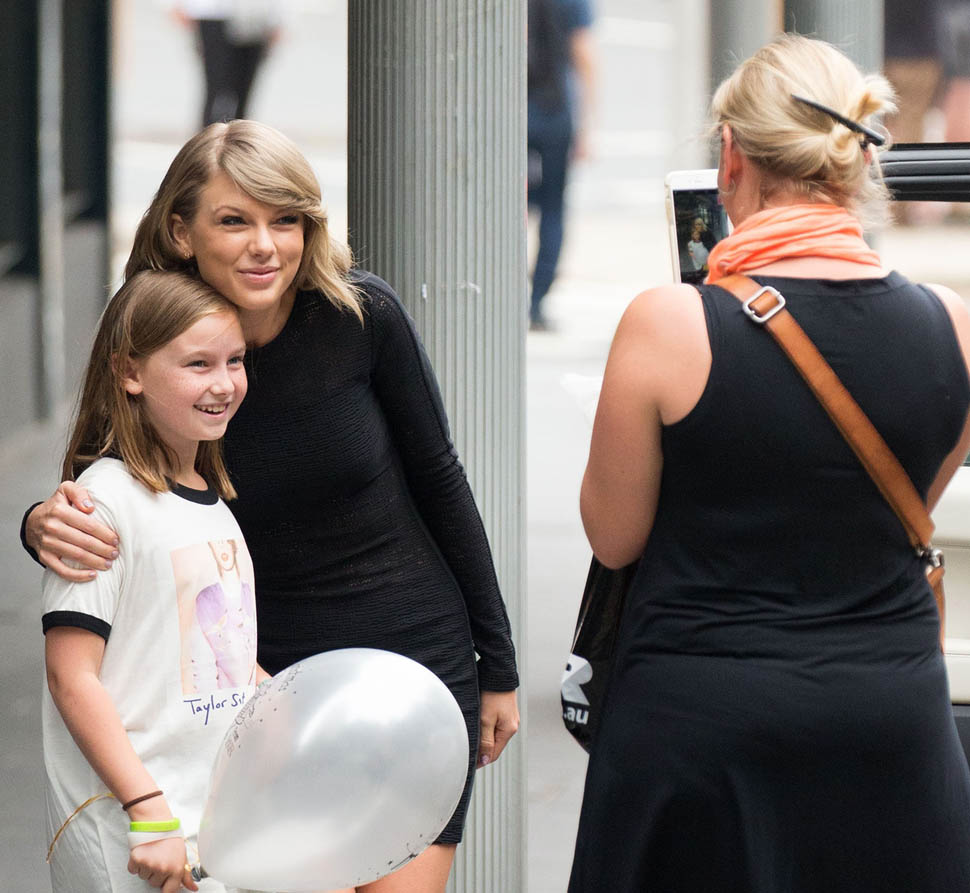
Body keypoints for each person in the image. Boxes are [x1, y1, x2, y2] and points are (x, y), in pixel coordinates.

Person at [23, 119, 520, 893]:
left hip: (409, 661)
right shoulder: (157, 332)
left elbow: (441, 479)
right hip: (262, 688)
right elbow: (111, 479)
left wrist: (499, 665)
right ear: (181, 231)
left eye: (286, 219)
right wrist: (40, 524)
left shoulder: (360, 314)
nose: (265, 245)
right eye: (235, 220)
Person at [568, 35, 970, 891]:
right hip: (888, 722)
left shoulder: (670, 324)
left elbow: (614, 536)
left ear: (731, 155)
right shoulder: (952, 324)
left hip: (701, 727)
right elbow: (909, 503)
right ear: (859, 160)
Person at [42, 270, 268, 892]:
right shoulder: (99, 505)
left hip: (205, 830)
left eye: (234, 360)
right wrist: (147, 810)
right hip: (134, 832)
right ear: (129, 372)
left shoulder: (215, 506)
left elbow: (225, 663)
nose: (223, 383)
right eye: (198, 364)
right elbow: (71, 676)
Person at [526, 0, 596, 331]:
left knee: (507, 207)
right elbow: (584, 54)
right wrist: (587, 127)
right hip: (555, 112)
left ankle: (503, 292)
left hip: (515, 110)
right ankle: (536, 303)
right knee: (553, 210)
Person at [169, 1, 282, 126]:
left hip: (257, 16)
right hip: (214, 14)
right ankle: (210, 134)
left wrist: (278, 18)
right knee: (216, 87)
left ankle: (239, 135)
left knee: (244, 89)